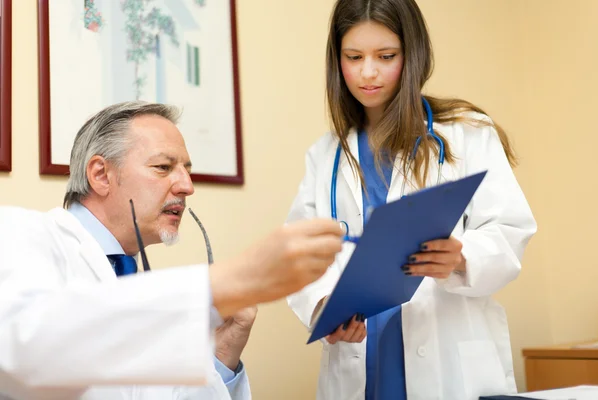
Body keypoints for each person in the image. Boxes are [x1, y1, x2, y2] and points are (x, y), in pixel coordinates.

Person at [0, 101, 344, 400]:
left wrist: (222, 355)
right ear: (101, 175)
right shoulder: (20, 234)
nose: (187, 186)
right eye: (163, 168)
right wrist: (227, 281)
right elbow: (26, 352)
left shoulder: (139, 286)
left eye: (186, 170)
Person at [286, 1, 537, 399]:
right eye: (354, 57)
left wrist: (461, 257)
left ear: (412, 54)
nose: (368, 72)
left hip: (446, 364)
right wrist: (322, 308)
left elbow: (510, 230)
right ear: (338, 61)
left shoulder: (468, 134)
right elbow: (300, 255)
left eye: (386, 56)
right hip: (359, 364)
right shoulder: (325, 156)